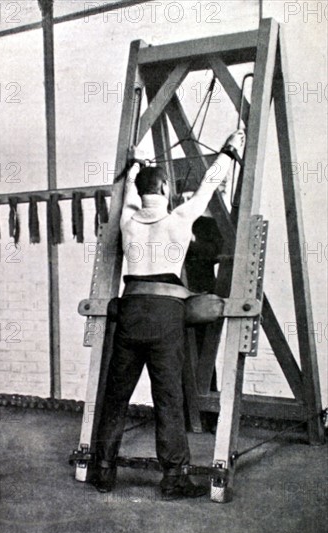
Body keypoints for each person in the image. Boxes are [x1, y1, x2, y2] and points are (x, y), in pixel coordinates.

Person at [94, 130, 245, 499]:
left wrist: (134, 164)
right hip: (165, 315)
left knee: (116, 395)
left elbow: (128, 191)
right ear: (164, 191)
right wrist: (228, 150)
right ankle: (173, 478)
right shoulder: (179, 219)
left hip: (130, 310)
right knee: (169, 398)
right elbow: (210, 184)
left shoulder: (127, 221)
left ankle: (103, 471)